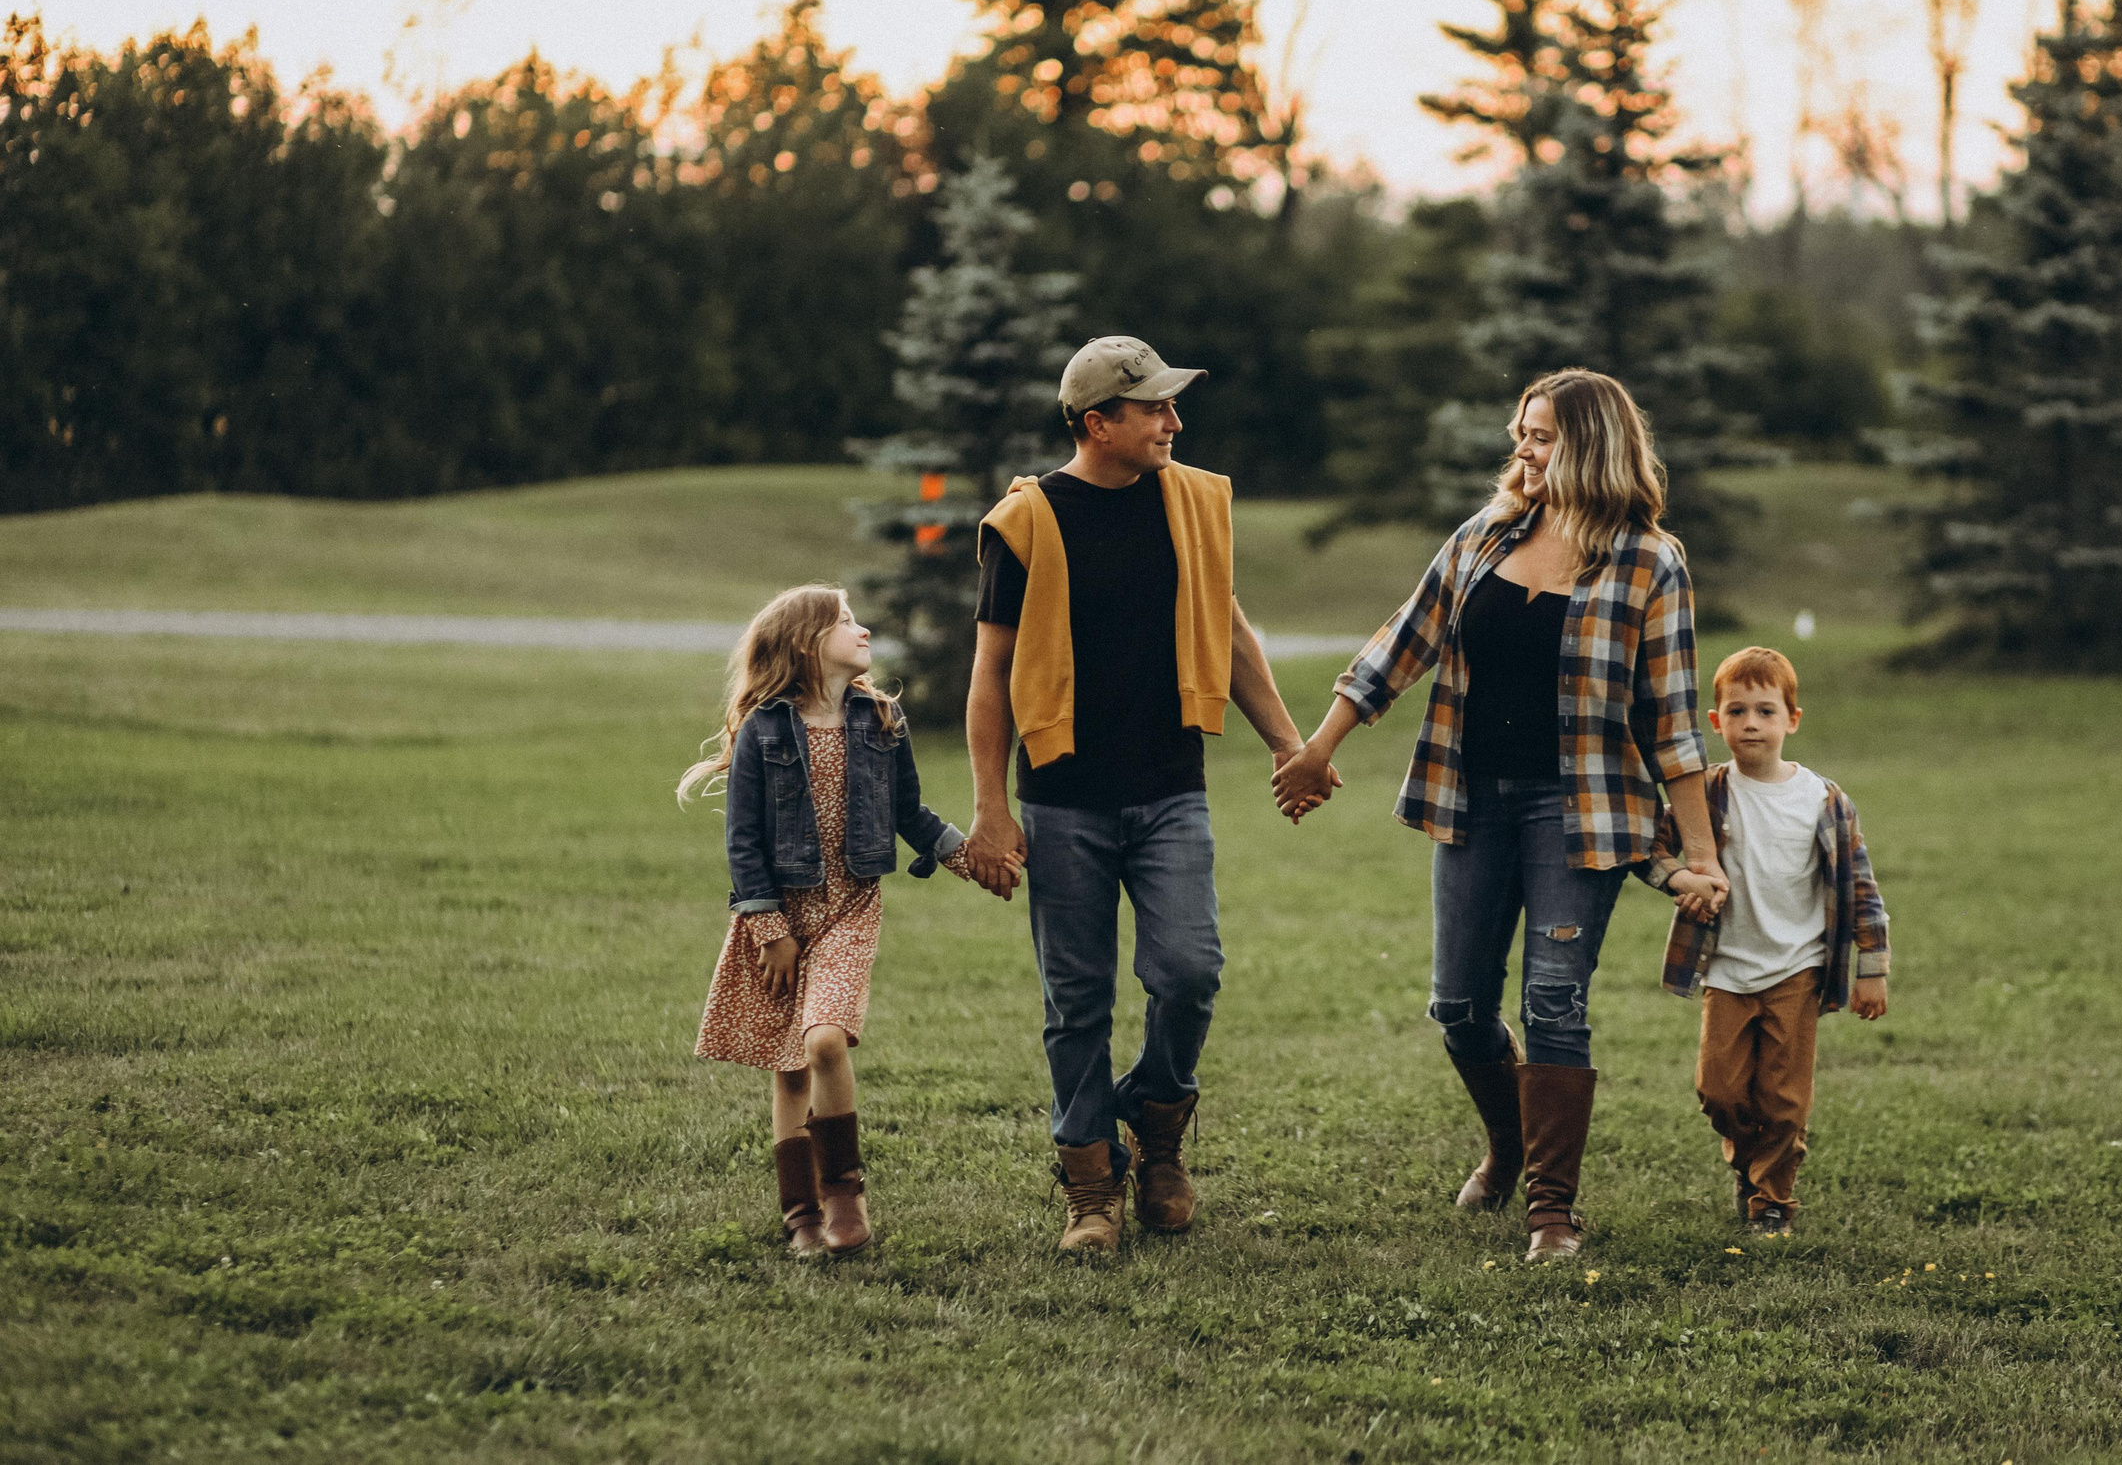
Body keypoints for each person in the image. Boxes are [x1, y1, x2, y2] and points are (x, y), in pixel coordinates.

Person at [1274, 368, 1727, 1263]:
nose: (1522, 447)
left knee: (1555, 998)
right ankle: (1512, 1142)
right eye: (1521, 431)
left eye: (1543, 435)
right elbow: (1397, 647)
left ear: (1590, 445)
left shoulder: (1649, 561)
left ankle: (1552, 1213)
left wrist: (1701, 854)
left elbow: (1670, 722)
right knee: (1458, 1004)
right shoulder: (1485, 536)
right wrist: (1319, 748)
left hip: (1581, 809)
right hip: (1471, 798)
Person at [964, 335, 1327, 1256]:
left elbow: (1231, 629)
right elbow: (991, 672)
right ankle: (1092, 1182)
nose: (1174, 420)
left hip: (1172, 791)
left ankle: (1156, 1130)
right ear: (1098, 424)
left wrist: (1289, 742)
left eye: (1172, 404)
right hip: (1064, 799)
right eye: (1154, 407)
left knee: (1189, 970)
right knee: (1076, 998)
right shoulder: (1028, 522)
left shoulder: (1194, 503)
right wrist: (993, 806)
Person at [682, 585, 991, 1257]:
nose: (863, 629)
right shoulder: (765, 727)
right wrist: (770, 930)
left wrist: (967, 857)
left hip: (850, 908)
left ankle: (844, 1191)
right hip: (780, 921)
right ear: (804, 644)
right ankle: (800, 1213)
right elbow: (743, 840)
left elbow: (909, 811)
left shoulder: (880, 717)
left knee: (824, 1042)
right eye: (845, 621)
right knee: (789, 1067)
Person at [1640, 644, 1890, 1238]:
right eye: (1737, 711)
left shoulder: (1824, 801)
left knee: (1783, 1098)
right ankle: (1749, 1162)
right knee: (1720, 1091)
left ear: (1792, 719)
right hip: (1725, 966)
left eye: (1766, 711)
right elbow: (1648, 850)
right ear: (1715, 721)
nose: (1751, 723)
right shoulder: (1703, 793)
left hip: (1797, 969)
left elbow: (1861, 887)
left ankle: (1771, 1199)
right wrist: (1677, 880)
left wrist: (1871, 968)